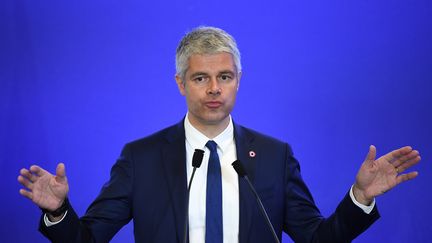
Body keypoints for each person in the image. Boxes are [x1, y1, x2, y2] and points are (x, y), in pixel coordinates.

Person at [17, 26, 421, 243]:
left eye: (224, 77)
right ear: (180, 84)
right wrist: (58, 211)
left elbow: (317, 239)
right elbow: (88, 240)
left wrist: (360, 198)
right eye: (201, 78)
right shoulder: (140, 158)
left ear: (238, 81)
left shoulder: (275, 155)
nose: (214, 89)